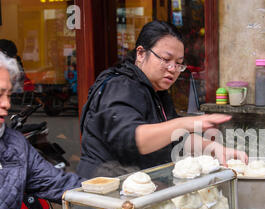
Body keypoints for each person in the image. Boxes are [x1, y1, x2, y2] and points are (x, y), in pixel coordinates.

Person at [77, 20, 247, 179]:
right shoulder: (120, 87)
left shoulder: (157, 92)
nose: (173, 69)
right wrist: (186, 123)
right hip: (106, 194)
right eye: (166, 60)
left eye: (179, 63)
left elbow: (175, 137)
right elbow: (136, 139)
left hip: (140, 189)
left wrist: (214, 148)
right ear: (141, 53)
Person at [0, 51, 82, 209]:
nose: (5, 103)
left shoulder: (14, 145)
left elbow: (59, 184)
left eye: (7, 94)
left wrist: (114, 189)